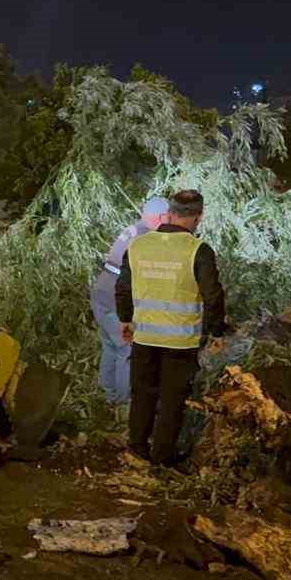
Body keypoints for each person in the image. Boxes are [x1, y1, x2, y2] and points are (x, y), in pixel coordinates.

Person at [115, 189, 227, 465]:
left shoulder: (138, 245)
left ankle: (137, 448)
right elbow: (213, 294)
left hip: (144, 336)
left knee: (142, 393)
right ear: (198, 217)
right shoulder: (197, 250)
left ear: (170, 213)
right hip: (181, 342)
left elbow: (123, 288)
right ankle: (162, 457)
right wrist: (216, 331)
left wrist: (126, 320)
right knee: (171, 399)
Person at [90, 197, 170, 406]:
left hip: (101, 289)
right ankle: (123, 403)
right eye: (169, 218)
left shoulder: (134, 229)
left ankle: (107, 396)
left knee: (110, 345)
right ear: (161, 217)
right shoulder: (146, 238)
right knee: (127, 349)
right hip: (115, 294)